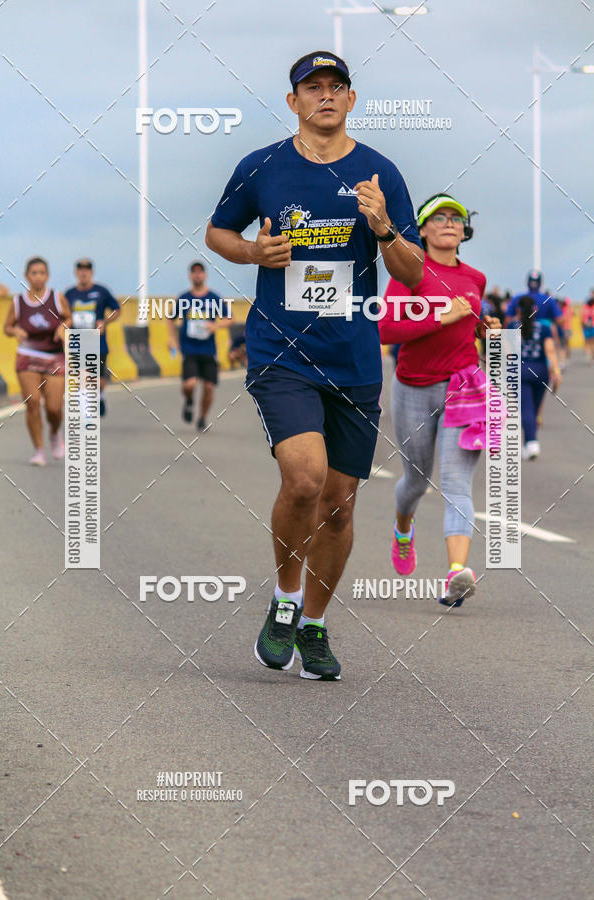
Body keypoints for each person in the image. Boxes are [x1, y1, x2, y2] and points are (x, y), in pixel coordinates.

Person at [206, 50, 423, 679]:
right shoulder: (262, 167)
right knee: (303, 480)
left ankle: (316, 627)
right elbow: (217, 232)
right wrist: (252, 250)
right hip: (282, 351)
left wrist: (383, 229)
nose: (325, 96)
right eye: (312, 87)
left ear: (351, 100)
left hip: (353, 357)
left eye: (336, 87)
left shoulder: (380, 172)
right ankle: (285, 600)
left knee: (339, 505)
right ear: (293, 101)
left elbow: (412, 272)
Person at [379, 193, 500, 608]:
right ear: (424, 228)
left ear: (464, 230)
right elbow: (385, 330)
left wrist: (486, 329)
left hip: (464, 385)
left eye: (457, 218)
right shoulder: (409, 273)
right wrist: (440, 317)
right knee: (416, 480)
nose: (450, 223)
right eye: (440, 217)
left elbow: (471, 324)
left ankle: (456, 573)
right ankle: (402, 526)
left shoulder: (476, 278)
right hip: (413, 385)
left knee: (456, 484)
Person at [4, 257, 71, 465]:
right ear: (27, 276)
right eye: (34, 273)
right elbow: (7, 327)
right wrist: (15, 330)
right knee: (32, 402)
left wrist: (63, 327)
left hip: (54, 358)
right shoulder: (18, 301)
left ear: (47, 276)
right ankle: (39, 450)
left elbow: (69, 318)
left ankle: (54, 433)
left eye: (42, 272)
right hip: (28, 356)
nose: (38, 276)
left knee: (53, 408)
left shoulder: (57, 298)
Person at [167, 261, 230, 430]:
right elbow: (170, 319)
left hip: (208, 350)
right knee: (189, 384)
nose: (197, 275)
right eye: (194, 272)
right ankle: (189, 401)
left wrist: (215, 326)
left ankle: (202, 417)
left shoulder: (214, 298)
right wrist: (172, 339)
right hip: (189, 349)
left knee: (209, 387)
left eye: (200, 272)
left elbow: (230, 318)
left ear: (205, 275)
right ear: (190, 276)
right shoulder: (184, 298)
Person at [65, 259, 120, 416]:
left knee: (98, 382)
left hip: (98, 343)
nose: (83, 273)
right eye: (80, 270)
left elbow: (116, 310)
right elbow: (63, 314)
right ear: (76, 273)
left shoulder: (102, 291)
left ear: (91, 272)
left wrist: (105, 321)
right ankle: (86, 412)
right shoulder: (70, 294)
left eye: (87, 270)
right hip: (77, 342)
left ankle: (100, 396)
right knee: (83, 377)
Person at [510, 295, 561, 459]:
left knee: (526, 409)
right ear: (535, 310)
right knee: (534, 409)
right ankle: (529, 443)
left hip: (519, 371)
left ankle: (531, 442)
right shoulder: (544, 328)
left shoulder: (512, 327)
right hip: (541, 372)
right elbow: (550, 351)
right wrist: (557, 371)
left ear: (518, 310)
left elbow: (506, 354)